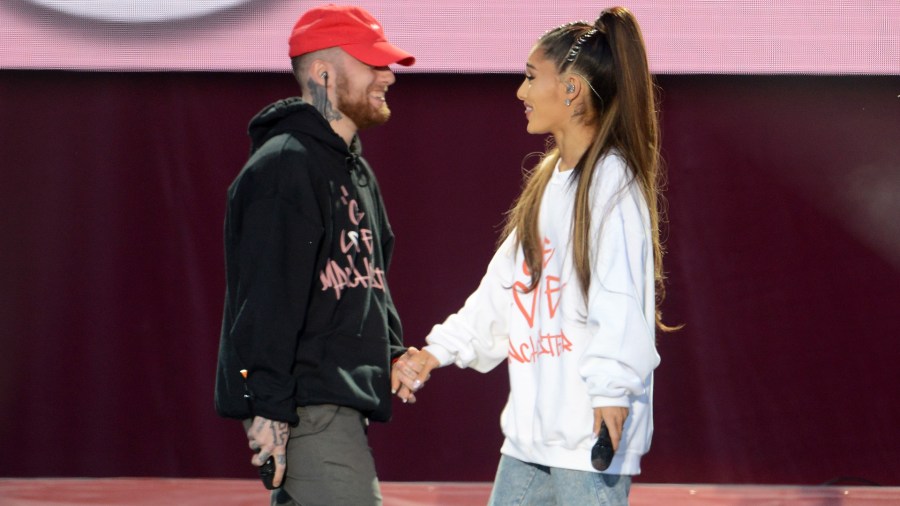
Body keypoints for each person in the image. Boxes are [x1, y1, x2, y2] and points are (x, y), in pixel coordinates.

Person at [392, 7, 672, 505]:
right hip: (531, 435)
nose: (520, 92)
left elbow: (621, 297)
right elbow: (503, 290)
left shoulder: (611, 182)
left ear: (571, 89)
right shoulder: (548, 182)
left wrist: (610, 390)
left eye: (530, 77)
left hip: (587, 436)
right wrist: (438, 351)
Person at [214, 5, 416, 505]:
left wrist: (391, 351)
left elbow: (371, 276)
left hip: (334, 405)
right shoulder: (286, 166)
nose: (387, 76)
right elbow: (264, 303)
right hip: (308, 409)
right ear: (324, 74)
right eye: (373, 63)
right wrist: (268, 410)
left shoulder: (355, 171)